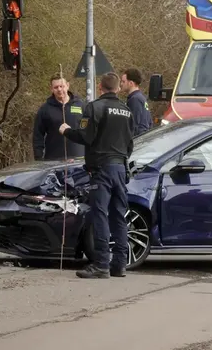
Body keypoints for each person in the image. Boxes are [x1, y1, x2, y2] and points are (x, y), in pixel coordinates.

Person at [59, 72, 133, 279]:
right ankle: (119, 264)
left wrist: (66, 131)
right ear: (118, 88)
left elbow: (85, 136)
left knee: (99, 214)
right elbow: (130, 143)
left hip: (101, 169)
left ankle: (101, 264)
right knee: (119, 216)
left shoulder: (94, 108)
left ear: (100, 87)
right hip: (120, 168)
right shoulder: (127, 110)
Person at [32, 75, 85, 161]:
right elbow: (38, 136)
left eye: (62, 86)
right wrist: (38, 158)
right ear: (51, 89)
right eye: (56, 87)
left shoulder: (81, 105)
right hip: (54, 160)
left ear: (67, 85)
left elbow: (89, 131)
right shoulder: (45, 109)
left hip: (79, 160)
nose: (59, 89)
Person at [120, 68, 152, 137]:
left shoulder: (135, 100)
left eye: (123, 81)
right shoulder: (142, 98)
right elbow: (149, 122)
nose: (121, 84)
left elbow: (134, 125)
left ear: (131, 83)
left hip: (138, 140)